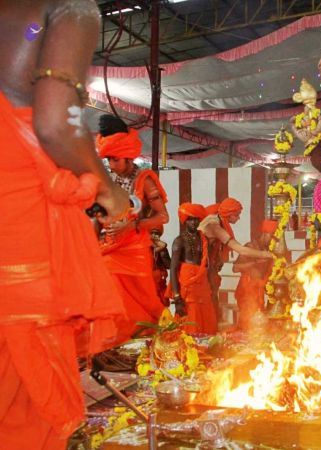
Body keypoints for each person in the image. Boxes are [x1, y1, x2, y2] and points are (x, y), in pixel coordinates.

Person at [0, 1, 129, 447]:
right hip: (17, 237)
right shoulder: (67, 7)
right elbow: (56, 124)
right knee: (25, 410)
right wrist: (111, 193)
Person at [96, 114, 169, 341]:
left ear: (128, 157)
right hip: (108, 248)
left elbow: (163, 217)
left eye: (115, 160)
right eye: (108, 160)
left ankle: (148, 341)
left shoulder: (145, 180)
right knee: (108, 295)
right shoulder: (109, 180)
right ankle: (116, 344)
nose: (111, 165)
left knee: (144, 302)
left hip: (135, 251)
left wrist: (131, 225)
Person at [199, 198, 276, 314]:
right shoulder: (214, 225)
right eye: (237, 215)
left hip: (210, 266)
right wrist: (267, 255)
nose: (238, 218)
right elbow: (241, 250)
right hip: (199, 266)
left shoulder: (219, 221)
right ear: (229, 214)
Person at [170, 203, 218, 334]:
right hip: (188, 285)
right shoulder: (179, 241)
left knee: (207, 314)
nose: (194, 222)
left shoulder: (204, 239)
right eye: (190, 219)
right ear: (185, 221)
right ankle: (190, 344)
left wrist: (212, 286)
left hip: (202, 284)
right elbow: (173, 269)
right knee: (190, 315)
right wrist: (177, 297)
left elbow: (208, 264)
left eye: (196, 219)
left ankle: (207, 343)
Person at [233, 220, 278, 331]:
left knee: (257, 324)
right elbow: (235, 268)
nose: (273, 240)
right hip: (246, 290)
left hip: (259, 291)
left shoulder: (268, 249)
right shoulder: (250, 246)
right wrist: (255, 263)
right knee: (247, 324)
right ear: (265, 234)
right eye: (272, 236)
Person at [151, 229, 172, 306]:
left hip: (160, 279)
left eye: (156, 234)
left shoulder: (162, 250)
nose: (154, 235)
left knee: (163, 302)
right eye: (152, 233)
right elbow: (163, 244)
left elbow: (168, 265)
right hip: (150, 280)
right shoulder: (146, 247)